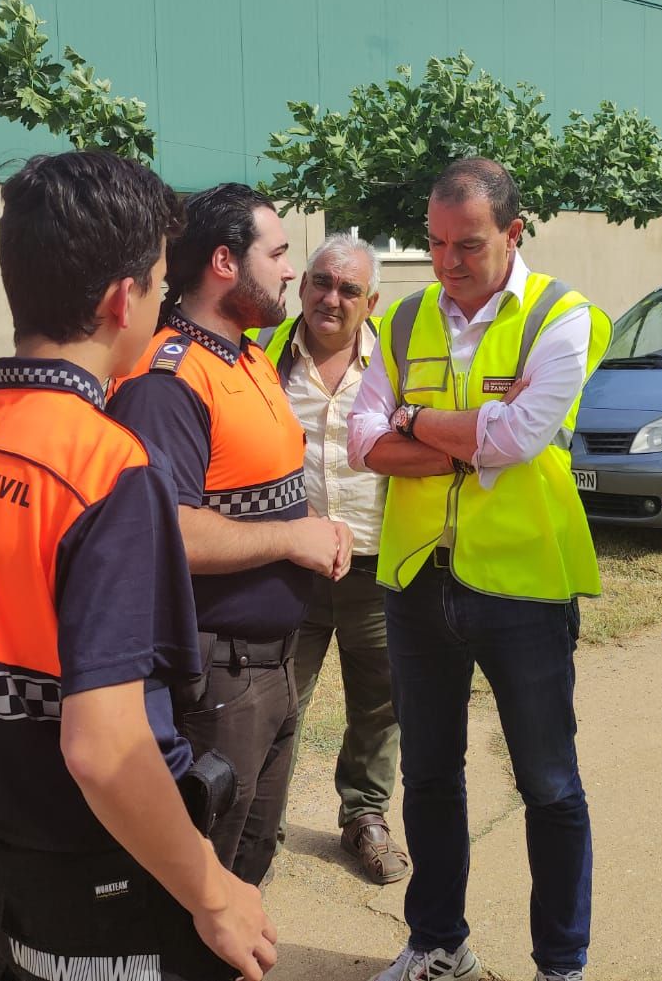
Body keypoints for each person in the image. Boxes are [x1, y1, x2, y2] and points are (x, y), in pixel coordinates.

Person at [0, 152, 275, 981]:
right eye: (156, 281)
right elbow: (105, 747)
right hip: (96, 892)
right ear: (122, 298)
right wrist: (212, 888)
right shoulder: (108, 468)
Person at [349, 157, 611, 981]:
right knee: (427, 776)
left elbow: (520, 437)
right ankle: (438, 943)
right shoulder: (403, 319)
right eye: (434, 243)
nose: (447, 263)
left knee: (549, 783)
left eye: (467, 245)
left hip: (524, 587)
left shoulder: (563, 316)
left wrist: (416, 419)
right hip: (418, 580)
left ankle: (560, 964)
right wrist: (459, 442)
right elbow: (362, 441)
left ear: (513, 232)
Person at [109, 183, 354, 889]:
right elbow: (168, 535)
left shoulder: (247, 357)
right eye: (277, 254)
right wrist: (290, 542)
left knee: (249, 860)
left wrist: (312, 526)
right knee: (199, 875)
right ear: (224, 260)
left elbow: (261, 493)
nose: (290, 271)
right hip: (217, 677)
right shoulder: (168, 380)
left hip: (271, 670)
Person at [254, 232, 410, 886]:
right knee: (276, 700)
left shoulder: (396, 362)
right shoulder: (262, 357)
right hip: (291, 568)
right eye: (321, 281)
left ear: (370, 300)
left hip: (376, 566)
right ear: (303, 284)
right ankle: (259, 827)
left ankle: (365, 816)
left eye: (349, 289)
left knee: (379, 704)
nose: (330, 297)